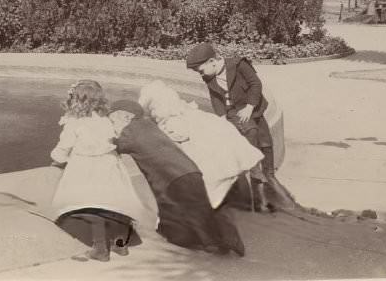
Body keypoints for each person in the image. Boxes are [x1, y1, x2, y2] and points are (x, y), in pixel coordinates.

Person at [109, 99, 245, 257]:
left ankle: (223, 238)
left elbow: (114, 145)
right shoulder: (149, 125)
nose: (113, 125)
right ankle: (211, 238)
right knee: (194, 210)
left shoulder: (129, 132)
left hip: (172, 179)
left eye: (113, 120)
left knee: (196, 213)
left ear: (125, 117)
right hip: (189, 171)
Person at [49, 81, 147, 262]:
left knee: (90, 207)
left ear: (76, 100)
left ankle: (100, 249)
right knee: (115, 205)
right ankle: (120, 245)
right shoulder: (105, 121)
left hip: (85, 168)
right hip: (109, 166)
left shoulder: (74, 123)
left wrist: (57, 159)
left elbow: (63, 149)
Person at [138, 80, 262, 209]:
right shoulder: (195, 113)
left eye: (153, 109)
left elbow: (178, 137)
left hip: (219, 173)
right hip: (234, 163)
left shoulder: (173, 122)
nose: (153, 113)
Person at [186, 42, 276, 211]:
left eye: (201, 70)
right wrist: (221, 118)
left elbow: (255, 84)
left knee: (265, 143)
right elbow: (215, 97)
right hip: (232, 111)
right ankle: (256, 182)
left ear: (212, 61)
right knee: (248, 139)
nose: (201, 75)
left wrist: (250, 106)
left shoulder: (239, 64)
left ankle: (268, 178)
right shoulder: (209, 75)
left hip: (251, 107)